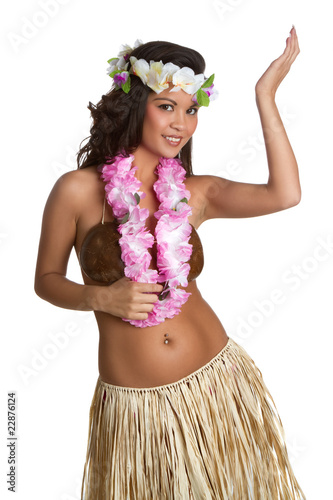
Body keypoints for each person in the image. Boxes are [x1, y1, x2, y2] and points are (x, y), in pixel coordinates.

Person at [34, 30, 306, 499]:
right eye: (166, 106)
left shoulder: (194, 193)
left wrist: (265, 96)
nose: (181, 122)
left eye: (191, 109)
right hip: (137, 416)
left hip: (219, 388)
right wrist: (100, 296)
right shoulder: (77, 190)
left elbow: (285, 194)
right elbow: (45, 281)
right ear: (136, 105)